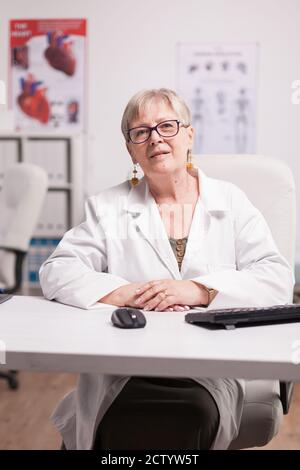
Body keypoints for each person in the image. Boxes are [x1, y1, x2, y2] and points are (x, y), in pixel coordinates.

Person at [40, 88, 294, 450]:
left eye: (167, 126)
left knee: (186, 416)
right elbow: (58, 270)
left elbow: (277, 278)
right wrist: (128, 292)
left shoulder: (231, 201)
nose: (155, 138)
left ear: (189, 135)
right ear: (131, 148)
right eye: (140, 131)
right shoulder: (108, 207)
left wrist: (199, 289)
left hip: (208, 369)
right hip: (126, 368)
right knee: (126, 420)